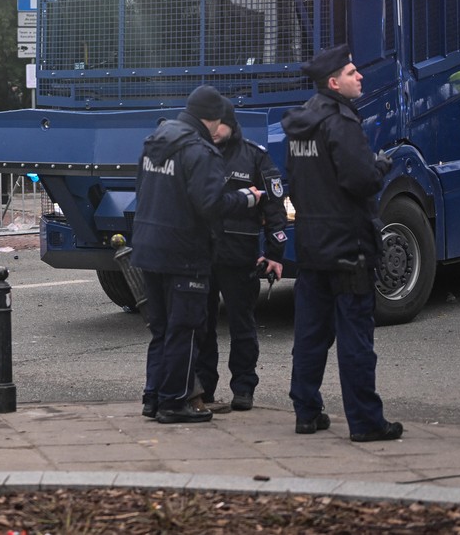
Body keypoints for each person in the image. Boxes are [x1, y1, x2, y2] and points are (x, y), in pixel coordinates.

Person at [279, 44, 400, 442]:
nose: (360, 76)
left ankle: (306, 412)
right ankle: (366, 422)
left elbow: (295, 182)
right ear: (334, 83)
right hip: (350, 247)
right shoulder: (341, 122)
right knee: (355, 340)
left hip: (313, 246)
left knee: (310, 335)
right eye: (352, 72)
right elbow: (360, 180)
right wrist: (379, 166)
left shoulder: (302, 124)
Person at [131, 85, 262, 424]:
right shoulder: (199, 150)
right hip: (183, 253)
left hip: (148, 248)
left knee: (161, 330)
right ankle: (175, 402)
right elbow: (211, 204)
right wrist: (246, 199)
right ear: (212, 119)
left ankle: (153, 397)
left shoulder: (158, 138)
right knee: (185, 329)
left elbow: (143, 189)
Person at [195, 101, 287, 413]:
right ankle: (203, 388)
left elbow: (274, 207)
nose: (213, 130)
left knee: (242, 326)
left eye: (218, 124)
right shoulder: (198, 153)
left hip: (240, 256)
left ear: (231, 124)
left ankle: (243, 387)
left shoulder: (254, 156)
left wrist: (276, 253)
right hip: (202, 256)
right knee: (201, 326)